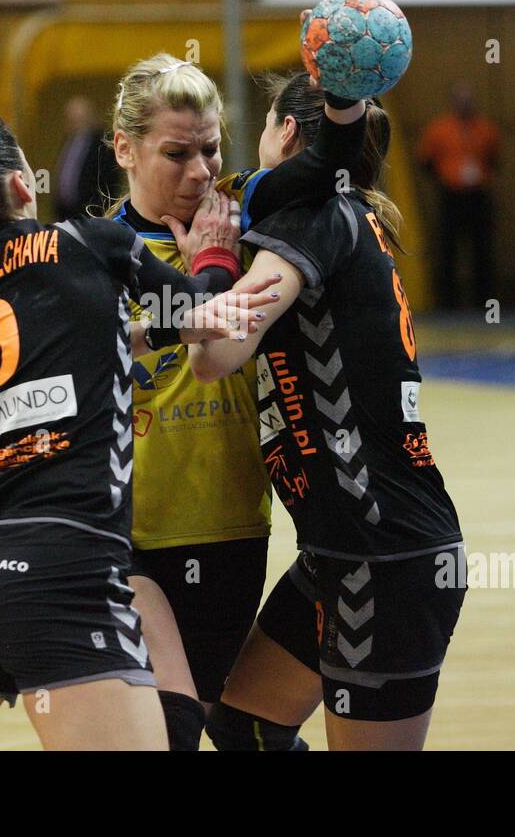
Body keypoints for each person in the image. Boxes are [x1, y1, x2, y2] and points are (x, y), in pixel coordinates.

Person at [0, 103, 279, 751]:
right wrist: (212, 258)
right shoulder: (90, 244)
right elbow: (205, 311)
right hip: (59, 568)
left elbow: (46, 350)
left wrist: (142, 337)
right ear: (18, 186)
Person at [189, 72, 467, 751]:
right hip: (342, 553)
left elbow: (217, 354)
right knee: (243, 723)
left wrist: (213, 262)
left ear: (287, 131)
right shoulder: (348, 216)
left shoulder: (313, 219)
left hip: (386, 556)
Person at [107, 35, 371, 750]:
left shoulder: (256, 227)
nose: (200, 173)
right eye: (175, 154)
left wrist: (346, 89)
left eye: (212, 151)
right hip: (127, 535)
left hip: (230, 529)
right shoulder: (97, 254)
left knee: (233, 726)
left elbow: (335, 165)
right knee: (165, 731)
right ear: (123, 149)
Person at [415, 79, 500, 310]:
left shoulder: (486, 128)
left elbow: (494, 159)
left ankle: (483, 301)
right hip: (450, 196)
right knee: (448, 249)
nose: (464, 103)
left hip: (478, 196)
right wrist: (445, 180)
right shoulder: (438, 129)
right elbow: (425, 161)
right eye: (460, 98)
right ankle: (448, 303)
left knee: (482, 249)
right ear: (453, 102)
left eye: (467, 98)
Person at [52, 96, 119, 220]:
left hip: (91, 214)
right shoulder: (68, 142)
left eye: (78, 117)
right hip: (65, 214)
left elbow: (109, 180)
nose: (74, 122)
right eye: (70, 118)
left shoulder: (103, 144)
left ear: (90, 117)